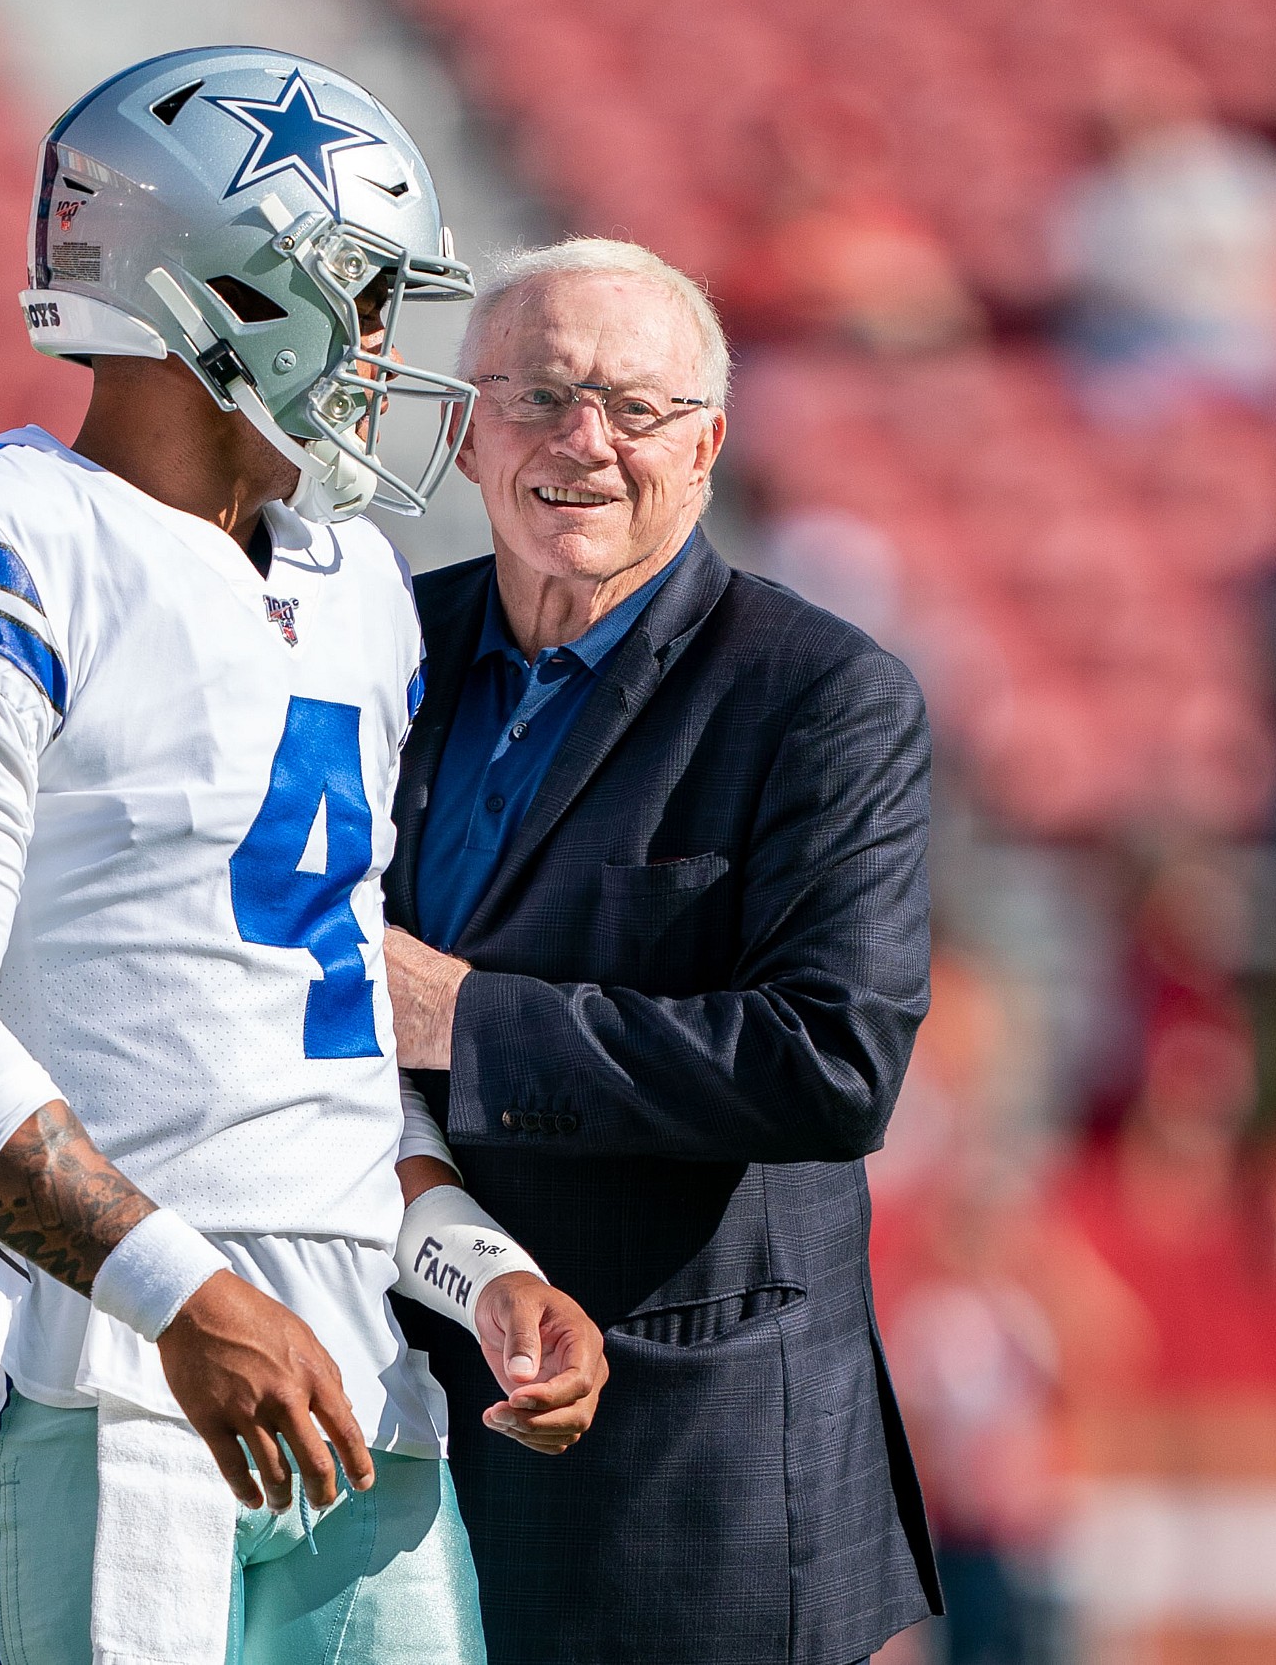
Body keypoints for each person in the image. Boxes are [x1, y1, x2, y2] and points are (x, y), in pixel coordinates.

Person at [0, 49, 604, 1665]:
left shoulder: (357, 584)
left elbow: (313, 1031)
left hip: (356, 1368)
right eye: (360, 300)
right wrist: (184, 1298)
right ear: (223, 287)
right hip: (93, 1353)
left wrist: (477, 1268)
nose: (382, 356)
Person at [382, 238, 943, 1664]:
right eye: (542, 396)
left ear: (706, 448)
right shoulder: (370, 649)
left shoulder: (822, 699)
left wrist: (470, 1020)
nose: (587, 442)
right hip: (384, 1422)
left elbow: (834, 1065)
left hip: (684, 1476)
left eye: (636, 409)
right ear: (463, 431)